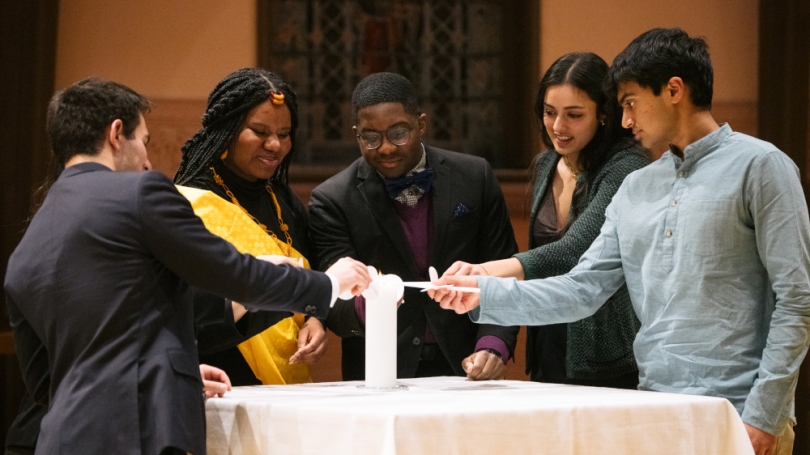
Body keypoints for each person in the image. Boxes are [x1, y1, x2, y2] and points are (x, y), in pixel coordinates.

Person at [430, 28, 810, 455]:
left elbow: (797, 298)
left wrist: (764, 414)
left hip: (738, 410)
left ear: (673, 90)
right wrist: (481, 293)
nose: (625, 121)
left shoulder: (762, 166)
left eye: (630, 103)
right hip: (654, 406)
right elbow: (582, 288)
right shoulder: (637, 186)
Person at [3, 77, 371, 455]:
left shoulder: (30, 242)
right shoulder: (139, 192)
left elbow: (51, 381)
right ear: (116, 133)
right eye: (144, 142)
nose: (147, 161)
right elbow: (234, 275)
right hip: (138, 437)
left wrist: (170, 375)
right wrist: (326, 286)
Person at [444, 53, 649, 388]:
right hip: (547, 342)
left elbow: (572, 251)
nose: (557, 127)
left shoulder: (626, 166)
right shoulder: (545, 164)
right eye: (549, 112)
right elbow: (541, 253)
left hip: (606, 353)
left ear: (603, 114)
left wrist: (483, 272)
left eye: (574, 115)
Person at [308, 72, 519, 381]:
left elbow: (504, 269)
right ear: (356, 134)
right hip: (379, 373)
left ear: (421, 123)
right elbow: (335, 305)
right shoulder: (332, 199)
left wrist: (494, 343)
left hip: (468, 364)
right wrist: (372, 304)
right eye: (370, 137)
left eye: (398, 133)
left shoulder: (474, 177)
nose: (385, 148)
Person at [173, 68, 325, 386]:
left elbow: (313, 274)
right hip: (221, 376)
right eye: (259, 131)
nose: (275, 145)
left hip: (290, 379)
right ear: (227, 129)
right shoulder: (188, 202)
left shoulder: (285, 201)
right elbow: (186, 306)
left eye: (284, 135)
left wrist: (315, 318)